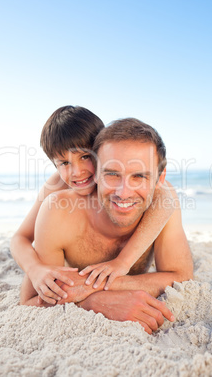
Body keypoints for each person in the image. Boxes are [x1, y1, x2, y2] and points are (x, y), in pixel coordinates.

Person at [20, 117, 193, 334]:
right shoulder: (57, 207)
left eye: (139, 176)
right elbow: (31, 303)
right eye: (112, 174)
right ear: (98, 172)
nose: (124, 192)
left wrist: (95, 286)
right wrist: (93, 303)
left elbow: (182, 277)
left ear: (159, 177)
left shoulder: (163, 201)